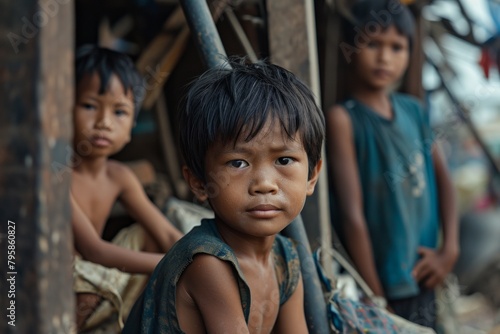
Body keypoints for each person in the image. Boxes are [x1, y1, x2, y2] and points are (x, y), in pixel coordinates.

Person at [122, 57, 324, 334]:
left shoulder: (285, 260)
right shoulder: (209, 264)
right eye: (238, 163)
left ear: (312, 175)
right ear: (199, 182)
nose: (265, 184)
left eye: (284, 160)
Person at [326, 0, 459, 329]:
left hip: (426, 270)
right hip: (383, 281)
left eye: (397, 47)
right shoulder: (343, 119)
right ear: (352, 46)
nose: (385, 57)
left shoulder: (414, 111)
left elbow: (445, 183)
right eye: (373, 44)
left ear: (410, 53)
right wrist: (374, 295)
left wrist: (449, 250)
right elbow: (352, 214)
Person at [71, 45, 183, 332]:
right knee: (84, 283)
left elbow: (167, 233)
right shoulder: (55, 176)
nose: (104, 123)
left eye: (119, 112)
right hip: (72, 282)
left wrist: (200, 258)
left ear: (132, 123)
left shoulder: (119, 176)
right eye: (90, 106)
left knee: (156, 236)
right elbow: (93, 250)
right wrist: (171, 265)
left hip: (103, 277)